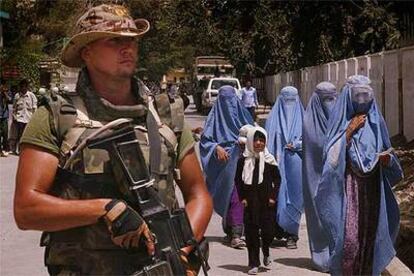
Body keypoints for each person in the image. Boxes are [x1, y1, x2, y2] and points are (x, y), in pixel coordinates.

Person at [14, 4, 212, 275]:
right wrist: (102, 209)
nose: (127, 47)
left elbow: (198, 194)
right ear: (87, 52)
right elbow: (26, 208)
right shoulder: (56, 116)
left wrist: (181, 251)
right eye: (114, 40)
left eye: (132, 40)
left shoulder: (165, 115)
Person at [317, 75, 403, 275]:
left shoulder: (375, 121)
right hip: (348, 189)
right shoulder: (341, 122)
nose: (363, 101)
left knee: (371, 238)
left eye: (367, 96)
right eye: (358, 96)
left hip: (373, 189)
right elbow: (330, 157)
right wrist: (349, 131)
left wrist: (386, 159)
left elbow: (388, 153)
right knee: (350, 240)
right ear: (349, 97)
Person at [200, 85, 254, 249]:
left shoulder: (243, 115)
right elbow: (205, 140)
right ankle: (231, 230)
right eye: (224, 100)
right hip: (221, 166)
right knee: (226, 196)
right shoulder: (213, 118)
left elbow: (255, 135)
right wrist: (216, 148)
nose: (228, 103)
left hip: (241, 162)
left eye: (231, 99)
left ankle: (237, 233)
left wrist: (245, 143)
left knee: (236, 195)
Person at [302, 81, 338, 272]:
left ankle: (336, 255)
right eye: (326, 99)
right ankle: (320, 256)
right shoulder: (309, 123)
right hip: (314, 177)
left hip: (336, 179)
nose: (330, 104)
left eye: (333, 99)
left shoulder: (341, 120)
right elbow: (316, 147)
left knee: (336, 215)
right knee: (318, 215)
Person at [236, 126, 280, 275]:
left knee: (268, 232)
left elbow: (277, 179)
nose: (259, 143)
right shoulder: (243, 161)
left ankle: (266, 251)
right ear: (250, 141)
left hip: (267, 202)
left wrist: (273, 196)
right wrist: (242, 198)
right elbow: (238, 181)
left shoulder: (269, 160)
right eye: (256, 140)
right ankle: (253, 263)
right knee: (251, 232)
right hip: (250, 202)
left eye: (262, 140)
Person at [265, 86, 304, 249]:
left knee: (294, 198)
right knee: (276, 197)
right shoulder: (271, 120)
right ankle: (277, 231)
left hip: (296, 166)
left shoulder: (305, 119)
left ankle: (292, 235)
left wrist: (296, 145)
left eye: (292, 100)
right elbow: (265, 141)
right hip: (276, 165)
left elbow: (312, 141)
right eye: (286, 100)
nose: (289, 104)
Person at [12, 79, 37, 154]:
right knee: (20, 135)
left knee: (28, 136)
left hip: (29, 119)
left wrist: (34, 118)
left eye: (25, 87)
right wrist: (14, 117)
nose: (23, 88)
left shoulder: (31, 95)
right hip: (20, 119)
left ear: (27, 87)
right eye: (22, 87)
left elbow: (34, 108)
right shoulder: (17, 96)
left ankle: (28, 151)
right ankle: (20, 150)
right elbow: (14, 108)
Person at [0, 79, 12, 157]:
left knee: (5, 133)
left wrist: (4, 93)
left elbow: (10, 100)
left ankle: (5, 148)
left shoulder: (7, 92)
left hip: (4, 116)